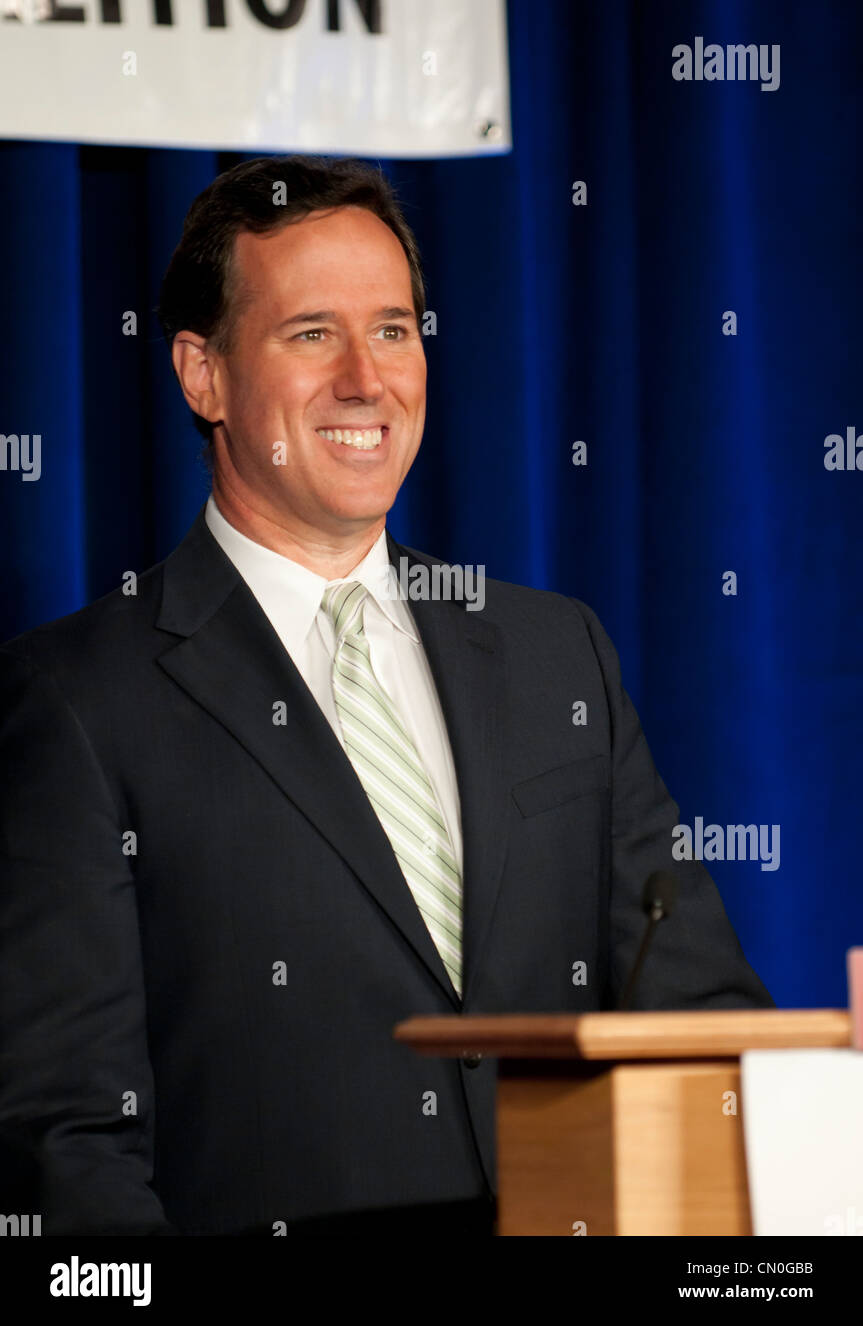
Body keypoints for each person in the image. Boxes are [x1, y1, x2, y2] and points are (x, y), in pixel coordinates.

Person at [0, 155, 772, 1237]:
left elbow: (699, 1021)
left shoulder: (558, 655)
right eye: (311, 331)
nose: (367, 377)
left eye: (395, 328)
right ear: (202, 374)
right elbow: (68, 1135)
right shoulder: (77, 699)